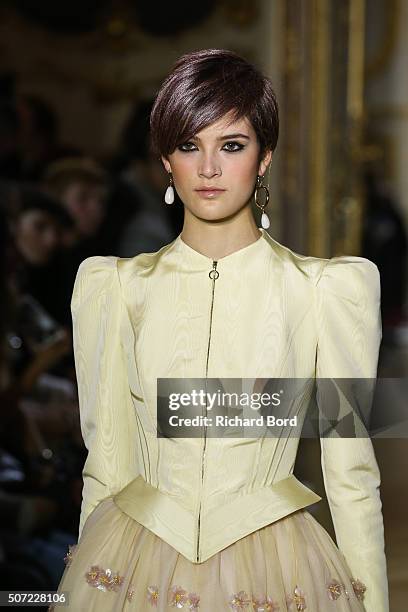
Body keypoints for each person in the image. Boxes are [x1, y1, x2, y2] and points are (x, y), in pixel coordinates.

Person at [52, 49, 388, 611]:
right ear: (166, 160)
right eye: (189, 145)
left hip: (277, 565)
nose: (208, 167)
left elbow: (351, 471)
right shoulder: (114, 288)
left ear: (264, 159)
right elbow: (106, 463)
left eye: (231, 145)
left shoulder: (324, 291)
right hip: (137, 554)